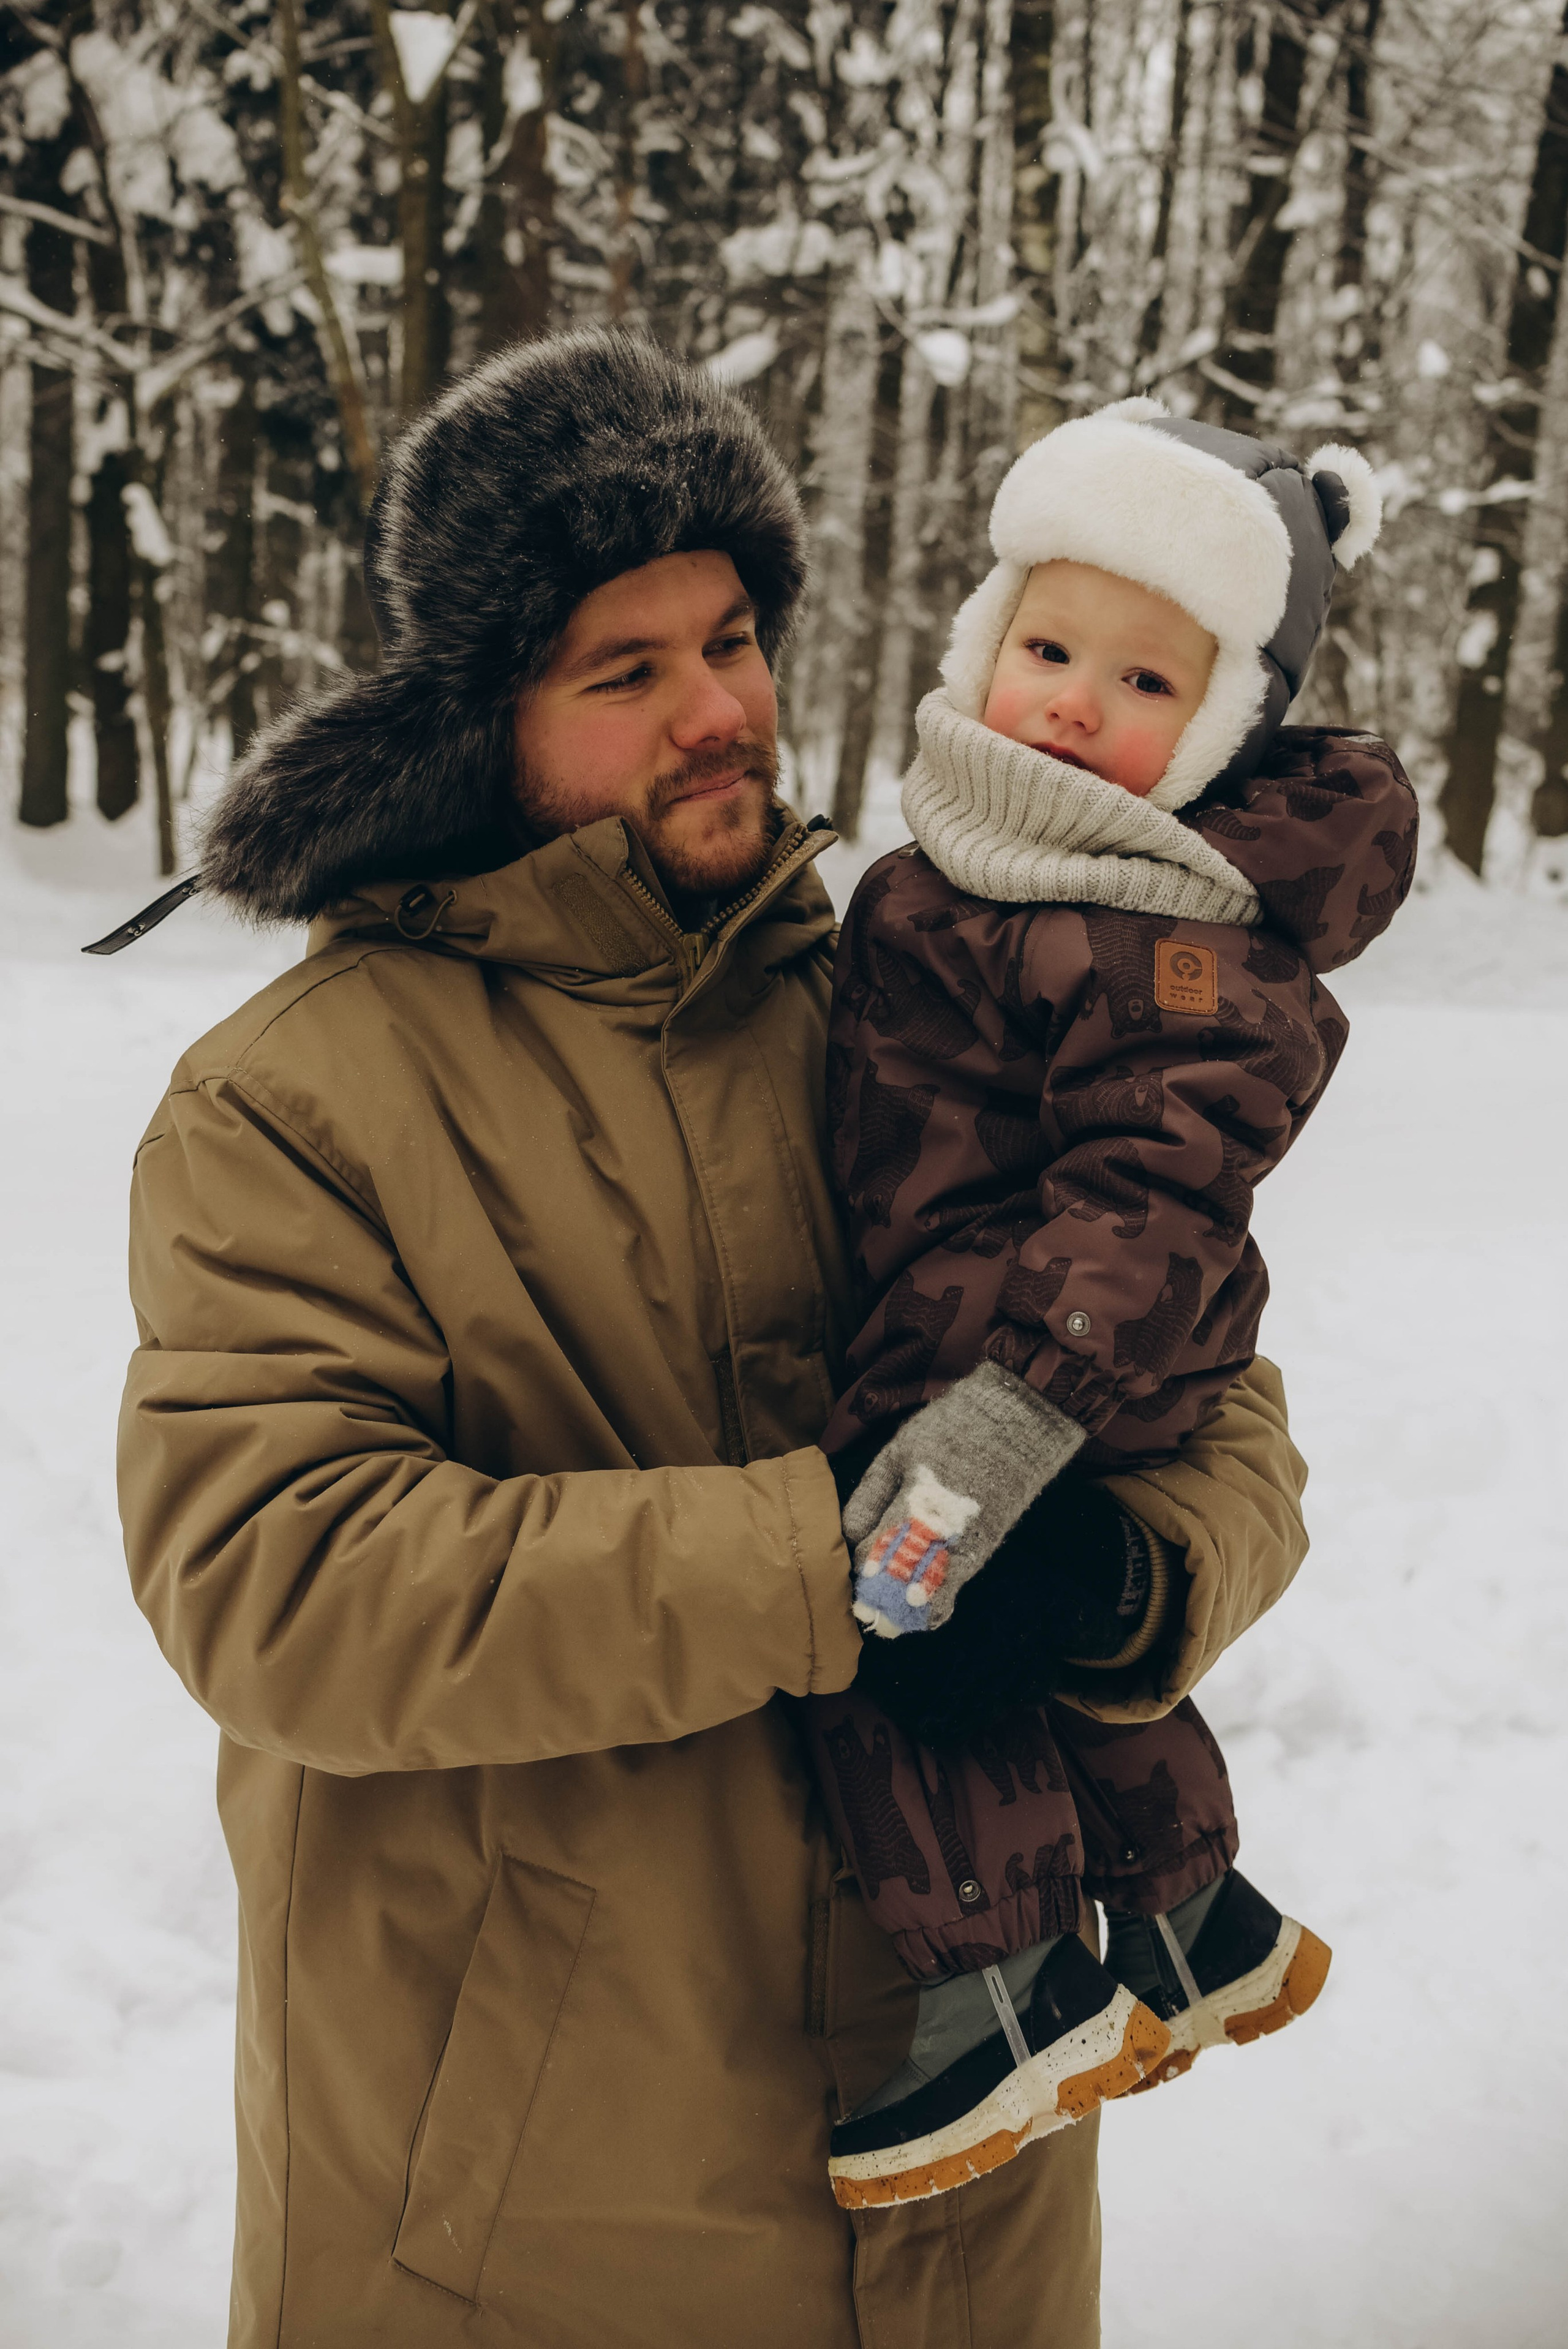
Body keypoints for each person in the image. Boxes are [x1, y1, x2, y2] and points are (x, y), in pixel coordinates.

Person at [118, 333, 1314, 2349]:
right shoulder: (297, 1102)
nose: (716, 712)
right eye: (625, 671)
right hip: (544, 2223)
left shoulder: (897, 993)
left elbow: (1214, 1370)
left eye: (735, 637)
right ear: (480, 717)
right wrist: (853, 1554)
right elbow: (281, 1582)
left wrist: (1124, 1573)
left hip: (974, 2180)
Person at [801, 400, 1418, 2212]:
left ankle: (998, 1982)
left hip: (1034, 1359)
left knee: (882, 1628)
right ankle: (1190, 1918)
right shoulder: (988, 854)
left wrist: (1010, 1409)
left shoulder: (1160, 914)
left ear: (1221, 725)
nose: (1073, 700)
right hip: (1008, 1339)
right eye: (1049, 645)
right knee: (1037, 1649)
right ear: (985, 636)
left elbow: (1157, 1188)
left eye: (1143, 682)